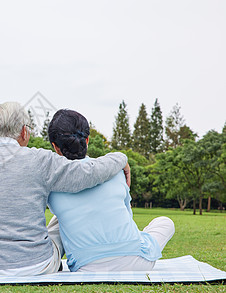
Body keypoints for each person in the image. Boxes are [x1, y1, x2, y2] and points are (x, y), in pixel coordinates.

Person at [0, 102, 130, 276]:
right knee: (60, 219)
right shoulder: (41, 160)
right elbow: (88, 173)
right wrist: (121, 158)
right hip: (38, 265)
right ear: (24, 132)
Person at [47, 109, 175, 272]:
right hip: (137, 261)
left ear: (55, 146)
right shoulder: (116, 171)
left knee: (60, 219)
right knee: (165, 222)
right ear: (87, 140)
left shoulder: (52, 182)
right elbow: (127, 215)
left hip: (85, 266)